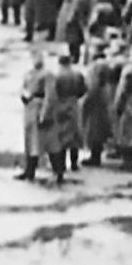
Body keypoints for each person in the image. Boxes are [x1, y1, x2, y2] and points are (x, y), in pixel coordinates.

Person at [39, 52, 87, 184]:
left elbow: (52, 92)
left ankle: (62, 164)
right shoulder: (77, 74)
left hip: (60, 105)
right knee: (74, 134)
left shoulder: (57, 76)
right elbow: (83, 90)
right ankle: (74, 162)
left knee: (61, 135)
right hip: (74, 104)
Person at [17, 52, 48, 182]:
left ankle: (31, 169)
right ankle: (27, 168)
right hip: (28, 107)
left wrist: (44, 114)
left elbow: (48, 96)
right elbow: (22, 88)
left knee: (35, 141)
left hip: (38, 106)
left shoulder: (46, 75)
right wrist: (23, 96)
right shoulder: (28, 74)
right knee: (28, 139)